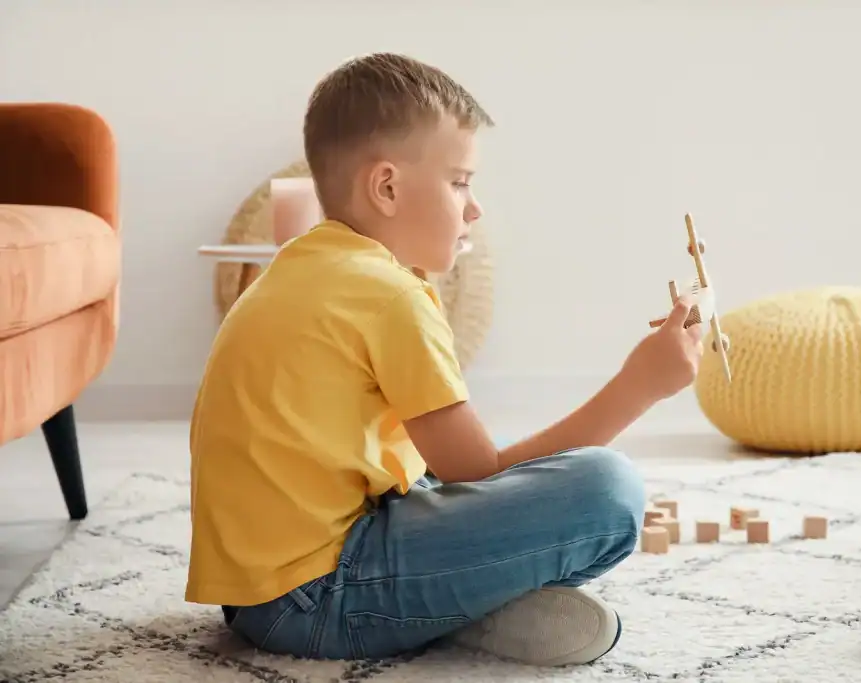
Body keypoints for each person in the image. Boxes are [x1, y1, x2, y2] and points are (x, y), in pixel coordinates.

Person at [185, 52, 705, 667]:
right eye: (460, 182)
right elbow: (477, 473)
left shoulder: (303, 267)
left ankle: (450, 606)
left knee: (455, 480)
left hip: (251, 600)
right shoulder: (389, 295)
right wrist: (639, 386)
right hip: (318, 601)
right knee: (608, 488)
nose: (474, 207)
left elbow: (439, 474)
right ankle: (455, 614)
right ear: (386, 187)